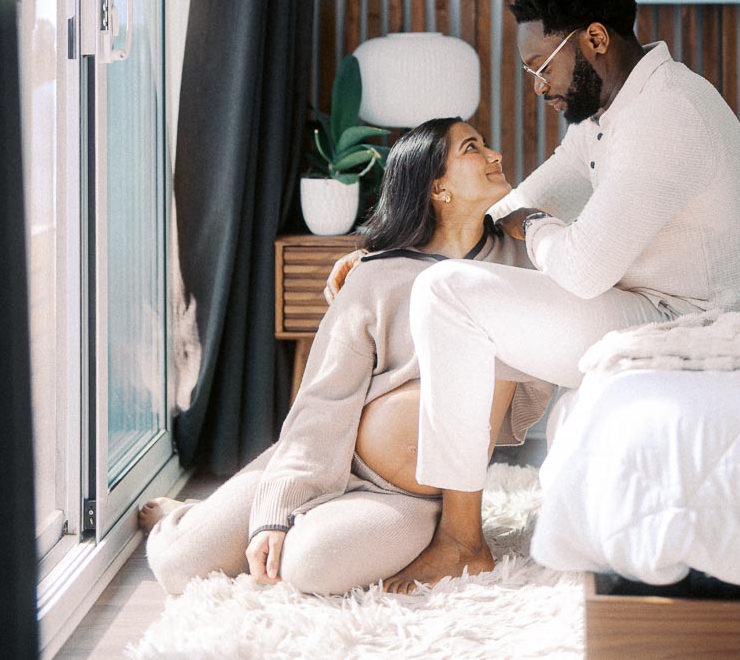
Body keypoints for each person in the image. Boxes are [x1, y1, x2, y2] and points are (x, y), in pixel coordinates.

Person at [327, 0, 740, 593]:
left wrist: (534, 226)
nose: (538, 86)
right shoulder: (608, 115)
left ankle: (459, 540)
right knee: (450, 295)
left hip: (696, 326)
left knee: (449, 293)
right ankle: (420, 511)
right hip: (650, 306)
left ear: (595, 39)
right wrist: (387, 255)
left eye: (541, 65)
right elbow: (513, 205)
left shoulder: (668, 115)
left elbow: (579, 264)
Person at [139, 117, 552, 596]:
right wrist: (277, 509)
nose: (495, 154)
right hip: (332, 459)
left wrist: (532, 223)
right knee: (178, 562)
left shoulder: (522, 264)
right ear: (437, 187)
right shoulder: (376, 276)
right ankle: (194, 517)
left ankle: (289, 520)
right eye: (472, 148)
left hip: (411, 498)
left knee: (309, 566)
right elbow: (323, 399)